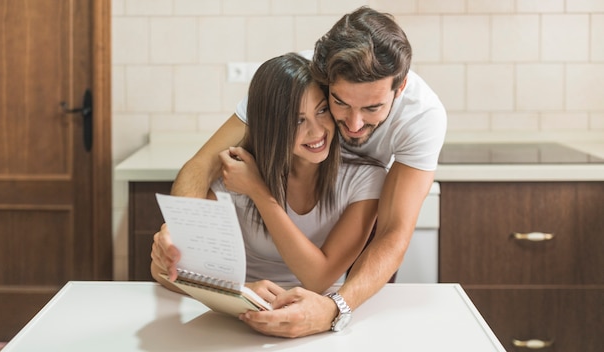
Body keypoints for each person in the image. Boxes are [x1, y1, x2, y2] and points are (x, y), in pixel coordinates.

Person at [155, 6, 446, 337]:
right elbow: (202, 163)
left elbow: (394, 232)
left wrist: (335, 309)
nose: (354, 124)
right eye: (338, 103)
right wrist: (178, 236)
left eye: (372, 108)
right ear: (324, 79)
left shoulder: (422, 118)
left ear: (401, 86)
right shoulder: (292, 85)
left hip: (347, 238)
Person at [151, 53, 386, 298]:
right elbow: (167, 272)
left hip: (319, 309)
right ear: (271, 126)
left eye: (322, 110)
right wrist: (241, 291)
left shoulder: (364, 177)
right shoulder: (236, 174)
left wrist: (259, 192)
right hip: (240, 307)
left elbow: (318, 279)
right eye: (297, 120)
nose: (317, 131)